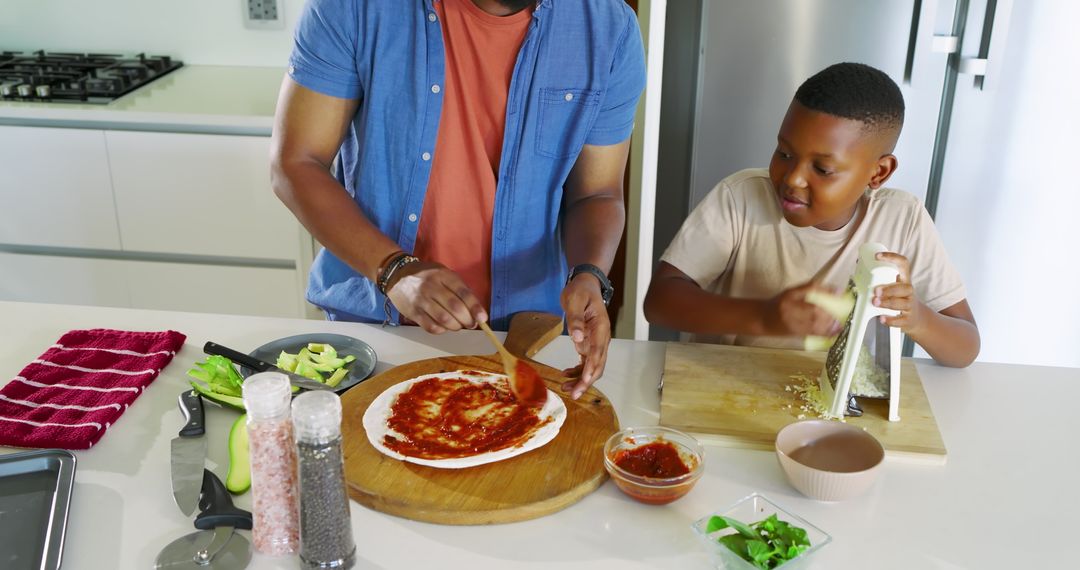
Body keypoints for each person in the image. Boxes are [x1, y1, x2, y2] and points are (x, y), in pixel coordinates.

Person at [270, 0, 647, 399]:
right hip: (377, 332)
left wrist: (588, 274)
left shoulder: (609, 29)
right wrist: (393, 269)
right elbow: (296, 163)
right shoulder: (354, 8)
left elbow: (597, 193)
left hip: (526, 339)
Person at [644, 62, 980, 367]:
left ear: (878, 173)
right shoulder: (741, 197)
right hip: (722, 382)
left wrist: (917, 317)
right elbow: (659, 301)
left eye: (822, 168)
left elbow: (966, 347)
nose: (792, 178)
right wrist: (764, 317)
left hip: (831, 408)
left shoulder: (903, 220)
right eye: (784, 152)